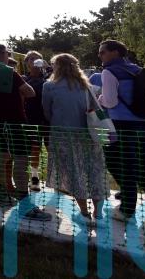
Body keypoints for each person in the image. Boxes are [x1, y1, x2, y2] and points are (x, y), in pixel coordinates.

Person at [98, 39, 145, 225]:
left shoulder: (109, 71)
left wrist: (100, 98)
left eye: (102, 52)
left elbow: (111, 102)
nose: (100, 56)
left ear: (115, 52)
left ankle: (127, 210)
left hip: (122, 125)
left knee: (127, 167)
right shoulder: (136, 69)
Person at [0, 44, 51, 221]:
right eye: (7, 54)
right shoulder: (8, 71)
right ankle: (25, 205)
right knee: (21, 159)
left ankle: (2, 196)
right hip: (15, 121)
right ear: (3, 54)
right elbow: (30, 92)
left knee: (2, 154)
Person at [42, 54, 107, 223]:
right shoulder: (87, 86)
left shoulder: (49, 87)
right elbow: (96, 110)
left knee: (74, 172)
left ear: (57, 67)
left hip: (63, 135)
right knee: (94, 170)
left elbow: (47, 112)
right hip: (89, 135)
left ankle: (84, 213)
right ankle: (98, 213)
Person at [23, 51, 50, 192]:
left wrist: (49, 68)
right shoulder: (23, 80)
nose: (34, 61)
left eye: (37, 59)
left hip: (49, 120)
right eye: (31, 59)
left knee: (52, 149)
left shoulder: (49, 78)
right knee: (34, 149)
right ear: (26, 63)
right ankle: (34, 178)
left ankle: (56, 179)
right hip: (31, 120)